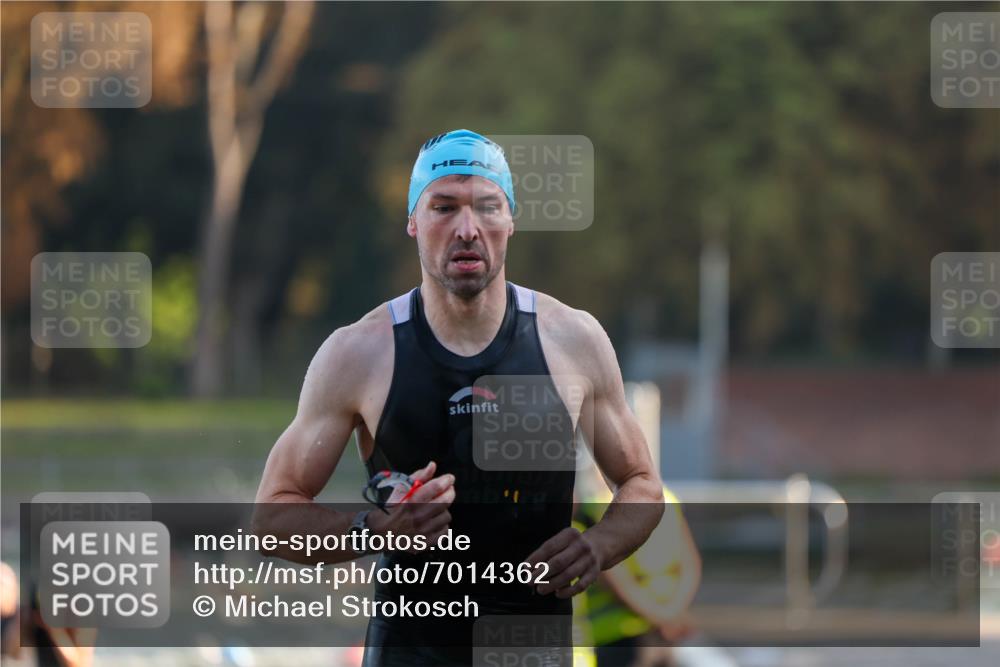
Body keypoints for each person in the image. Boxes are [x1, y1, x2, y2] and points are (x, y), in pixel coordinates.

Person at [254, 129, 664, 666]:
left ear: (510, 220)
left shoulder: (573, 340)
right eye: (443, 207)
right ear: (413, 222)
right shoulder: (358, 354)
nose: (467, 229)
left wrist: (599, 547)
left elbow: (642, 485)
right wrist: (376, 530)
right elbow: (270, 517)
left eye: (487, 208)